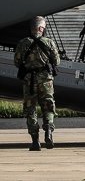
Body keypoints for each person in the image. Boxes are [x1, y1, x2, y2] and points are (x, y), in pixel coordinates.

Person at [14, 16, 61, 151]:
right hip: (46, 80)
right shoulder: (49, 42)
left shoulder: (23, 43)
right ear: (41, 28)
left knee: (31, 110)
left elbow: (17, 62)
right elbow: (57, 62)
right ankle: (49, 133)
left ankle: (35, 142)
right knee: (48, 106)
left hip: (29, 81)